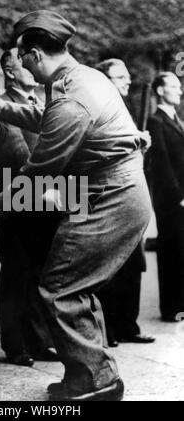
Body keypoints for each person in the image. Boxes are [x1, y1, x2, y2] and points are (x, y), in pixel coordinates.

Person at [0, 11, 151, 401]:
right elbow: (43, 117)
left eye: (22, 59)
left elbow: (38, 170)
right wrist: (0, 106)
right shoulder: (83, 77)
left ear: (33, 54)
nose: (24, 68)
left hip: (110, 195)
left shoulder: (71, 99)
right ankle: (93, 375)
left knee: (60, 286)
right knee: (76, 285)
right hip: (114, 189)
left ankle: (96, 383)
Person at [0, 48, 58, 366]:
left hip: (45, 205)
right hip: (18, 202)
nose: (34, 70)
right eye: (25, 66)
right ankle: (14, 345)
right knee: (16, 276)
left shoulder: (42, 106)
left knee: (38, 274)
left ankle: (39, 341)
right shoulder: (3, 105)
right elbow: (17, 151)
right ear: (8, 71)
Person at [95, 58, 155, 346]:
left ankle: (127, 325)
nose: (127, 81)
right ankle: (111, 328)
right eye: (121, 77)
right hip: (107, 195)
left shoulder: (125, 109)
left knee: (132, 265)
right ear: (106, 80)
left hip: (130, 194)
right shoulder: (101, 107)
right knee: (110, 268)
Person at [147, 72, 184, 322]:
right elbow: (161, 162)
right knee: (171, 250)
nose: (179, 91)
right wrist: (178, 196)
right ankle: (170, 308)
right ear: (160, 90)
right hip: (171, 200)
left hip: (181, 197)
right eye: (173, 86)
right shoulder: (155, 120)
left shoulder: (177, 120)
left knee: (182, 251)